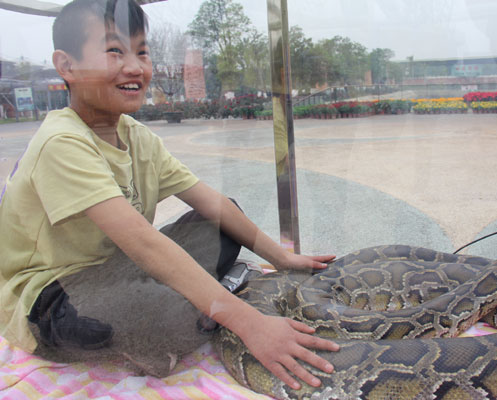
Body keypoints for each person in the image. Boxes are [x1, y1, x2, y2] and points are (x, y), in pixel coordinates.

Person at [0, 0, 338, 390]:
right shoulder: (61, 142)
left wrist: (283, 258)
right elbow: (144, 244)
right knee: (152, 311)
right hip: (53, 300)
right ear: (67, 66)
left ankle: (190, 310)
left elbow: (210, 202)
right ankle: (184, 313)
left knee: (224, 220)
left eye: (142, 52)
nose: (135, 66)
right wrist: (250, 323)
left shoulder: (137, 137)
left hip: (116, 269)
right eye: (115, 51)